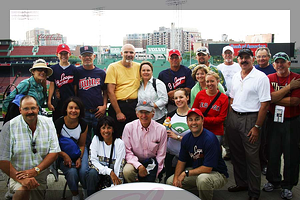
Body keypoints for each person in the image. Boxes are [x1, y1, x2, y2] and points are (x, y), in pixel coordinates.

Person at [226, 48, 270, 200]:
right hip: (234, 117)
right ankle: (241, 183)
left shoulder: (261, 77)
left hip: (251, 119)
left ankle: (254, 192)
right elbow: (232, 98)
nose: (243, 60)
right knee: (236, 155)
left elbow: (265, 105)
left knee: (252, 157)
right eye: (241, 58)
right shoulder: (237, 75)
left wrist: (257, 127)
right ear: (238, 60)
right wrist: (231, 116)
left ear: (253, 59)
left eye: (247, 57)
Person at [0, 95, 60, 200]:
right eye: (26, 109)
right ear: (20, 110)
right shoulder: (9, 127)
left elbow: (54, 152)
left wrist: (35, 170)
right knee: (23, 189)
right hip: (17, 174)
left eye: (33, 108)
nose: (30, 111)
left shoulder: (48, 123)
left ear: (38, 108)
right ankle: (14, 190)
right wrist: (21, 179)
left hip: (39, 174)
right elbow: (2, 159)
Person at [166, 108, 228, 200]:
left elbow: (207, 168)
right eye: (190, 120)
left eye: (197, 119)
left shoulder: (210, 139)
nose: (193, 123)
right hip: (197, 170)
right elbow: (181, 160)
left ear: (202, 120)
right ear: (187, 122)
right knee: (170, 182)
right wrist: (176, 178)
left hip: (217, 173)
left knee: (203, 180)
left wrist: (186, 173)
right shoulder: (186, 138)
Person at [263, 52, 300, 200]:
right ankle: (273, 180)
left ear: (289, 63)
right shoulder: (270, 78)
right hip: (274, 120)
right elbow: (268, 98)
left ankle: (288, 185)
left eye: (283, 62)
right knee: (272, 152)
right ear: (273, 65)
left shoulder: (297, 78)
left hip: (293, 121)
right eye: (277, 62)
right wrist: (289, 88)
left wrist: (275, 98)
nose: (280, 65)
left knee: (291, 155)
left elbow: (295, 101)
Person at [122, 100, 167, 183]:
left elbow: (161, 155)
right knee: (127, 171)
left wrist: (154, 174)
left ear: (153, 114)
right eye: (141, 112)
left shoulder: (161, 129)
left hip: (153, 162)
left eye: (147, 112)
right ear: (137, 114)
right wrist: (138, 166)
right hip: (135, 161)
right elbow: (127, 152)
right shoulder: (129, 127)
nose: (144, 115)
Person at [55, 96, 88, 200]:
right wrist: (64, 156)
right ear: (66, 109)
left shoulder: (83, 124)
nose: (73, 111)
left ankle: (86, 189)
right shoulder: (59, 123)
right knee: (72, 171)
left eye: (76, 108)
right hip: (61, 152)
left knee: (83, 171)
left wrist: (79, 157)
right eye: (71, 108)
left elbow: (82, 144)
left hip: (79, 150)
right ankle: (75, 194)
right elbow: (53, 146)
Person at [105, 44, 140, 137]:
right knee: (119, 136)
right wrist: (118, 112)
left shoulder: (139, 67)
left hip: (134, 106)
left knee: (134, 136)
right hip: (119, 105)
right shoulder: (113, 67)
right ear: (121, 53)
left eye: (131, 52)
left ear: (135, 54)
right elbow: (110, 92)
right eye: (126, 52)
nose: (129, 54)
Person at [2, 59, 53, 124]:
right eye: (39, 70)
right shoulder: (26, 83)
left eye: (45, 71)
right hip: (22, 120)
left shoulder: (41, 86)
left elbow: (41, 103)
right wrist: (5, 115)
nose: (42, 72)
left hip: (35, 118)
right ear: (33, 72)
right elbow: (8, 99)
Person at [86, 116, 126, 197]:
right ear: (99, 130)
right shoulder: (96, 139)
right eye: (103, 128)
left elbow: (119, 167)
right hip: (100, 174)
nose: (106, 131)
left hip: (114, 176)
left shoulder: (119, 143)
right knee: (91, 173)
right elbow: (92, 161)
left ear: (113, 129)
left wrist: (115, 185)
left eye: (109, 128)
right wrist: (109, 171)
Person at [77, 46, 108, 148]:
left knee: (101, 139)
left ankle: (100, 161)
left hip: (98, 112)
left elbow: (105, 91)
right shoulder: (77, 72)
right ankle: (86, 162)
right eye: (84, 55)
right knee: (84, 141)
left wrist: (104, 106)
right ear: (80, 57)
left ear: (94, 56)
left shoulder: (101, 73)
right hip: (83, 112)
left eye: (89, 55)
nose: (87, 58)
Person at [254, 46, 276, 175]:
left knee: (267, 141)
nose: (261, 59)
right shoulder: (253, 70)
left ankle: (264, 163)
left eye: (264, 56)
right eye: (259, 56)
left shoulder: (273, 69)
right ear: (255, 58)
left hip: (270, 111)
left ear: (268, 57)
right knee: (256, 141)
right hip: (255, 110)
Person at [217, 45, 241, 161]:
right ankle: (225, 150)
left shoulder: (238, 66)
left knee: (233, 125)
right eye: (226, 53)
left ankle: (234, 151)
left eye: (230, 53)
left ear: (233, 55)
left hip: (236, 100)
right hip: (222, 99)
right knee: (223, 126)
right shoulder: (219, 67)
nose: (228, 55)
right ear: (222, 55)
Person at [192, 71, 229, 144]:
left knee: (214, 153)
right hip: (201, 130)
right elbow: (195, 111)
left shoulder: (223, 98)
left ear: (217, 81)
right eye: (207, 81)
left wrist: (203, 119)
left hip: (216, 131)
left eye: (212, 81)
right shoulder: (200, 94)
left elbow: (221, 118)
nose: (209, 84)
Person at [164, 88, 191, 182]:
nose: (178, 100)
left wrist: (178, 137)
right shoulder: (170, 115)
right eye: (176, 98)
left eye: (181, 97)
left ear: (187, 97)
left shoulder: (194, 115)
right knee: (169, 181)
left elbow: (198, 140)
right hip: (171, 156)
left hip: (188, 157)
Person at [47, 44, 78, 123]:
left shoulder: (74, 69)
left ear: (69, 54)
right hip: (58, 103)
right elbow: (51, 85)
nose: (63, 56)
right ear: (57, 54)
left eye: (65, 54)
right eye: (61, 54)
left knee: (71, 124)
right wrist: (49, 101)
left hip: (70, 103)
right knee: (57, 125)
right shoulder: (53, 69)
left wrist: (76, 101)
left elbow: (75, 87)